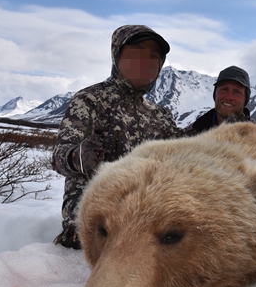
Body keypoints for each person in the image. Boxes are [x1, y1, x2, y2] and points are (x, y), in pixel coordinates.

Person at [52, 25, 182, 249]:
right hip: (94, 216)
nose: (145, 61)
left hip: (146, 212)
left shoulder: (160, 114)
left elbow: (181, 154)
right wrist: (78, 157)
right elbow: (59, 157)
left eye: (153, 56)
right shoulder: (90, 100)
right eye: (137, 53)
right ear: (117, 56)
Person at [186, 66, 254, 134]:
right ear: (215, 93)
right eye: (224, 89)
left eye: (237, 92)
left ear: (246, 99)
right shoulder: (190, 133)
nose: (229, 97)